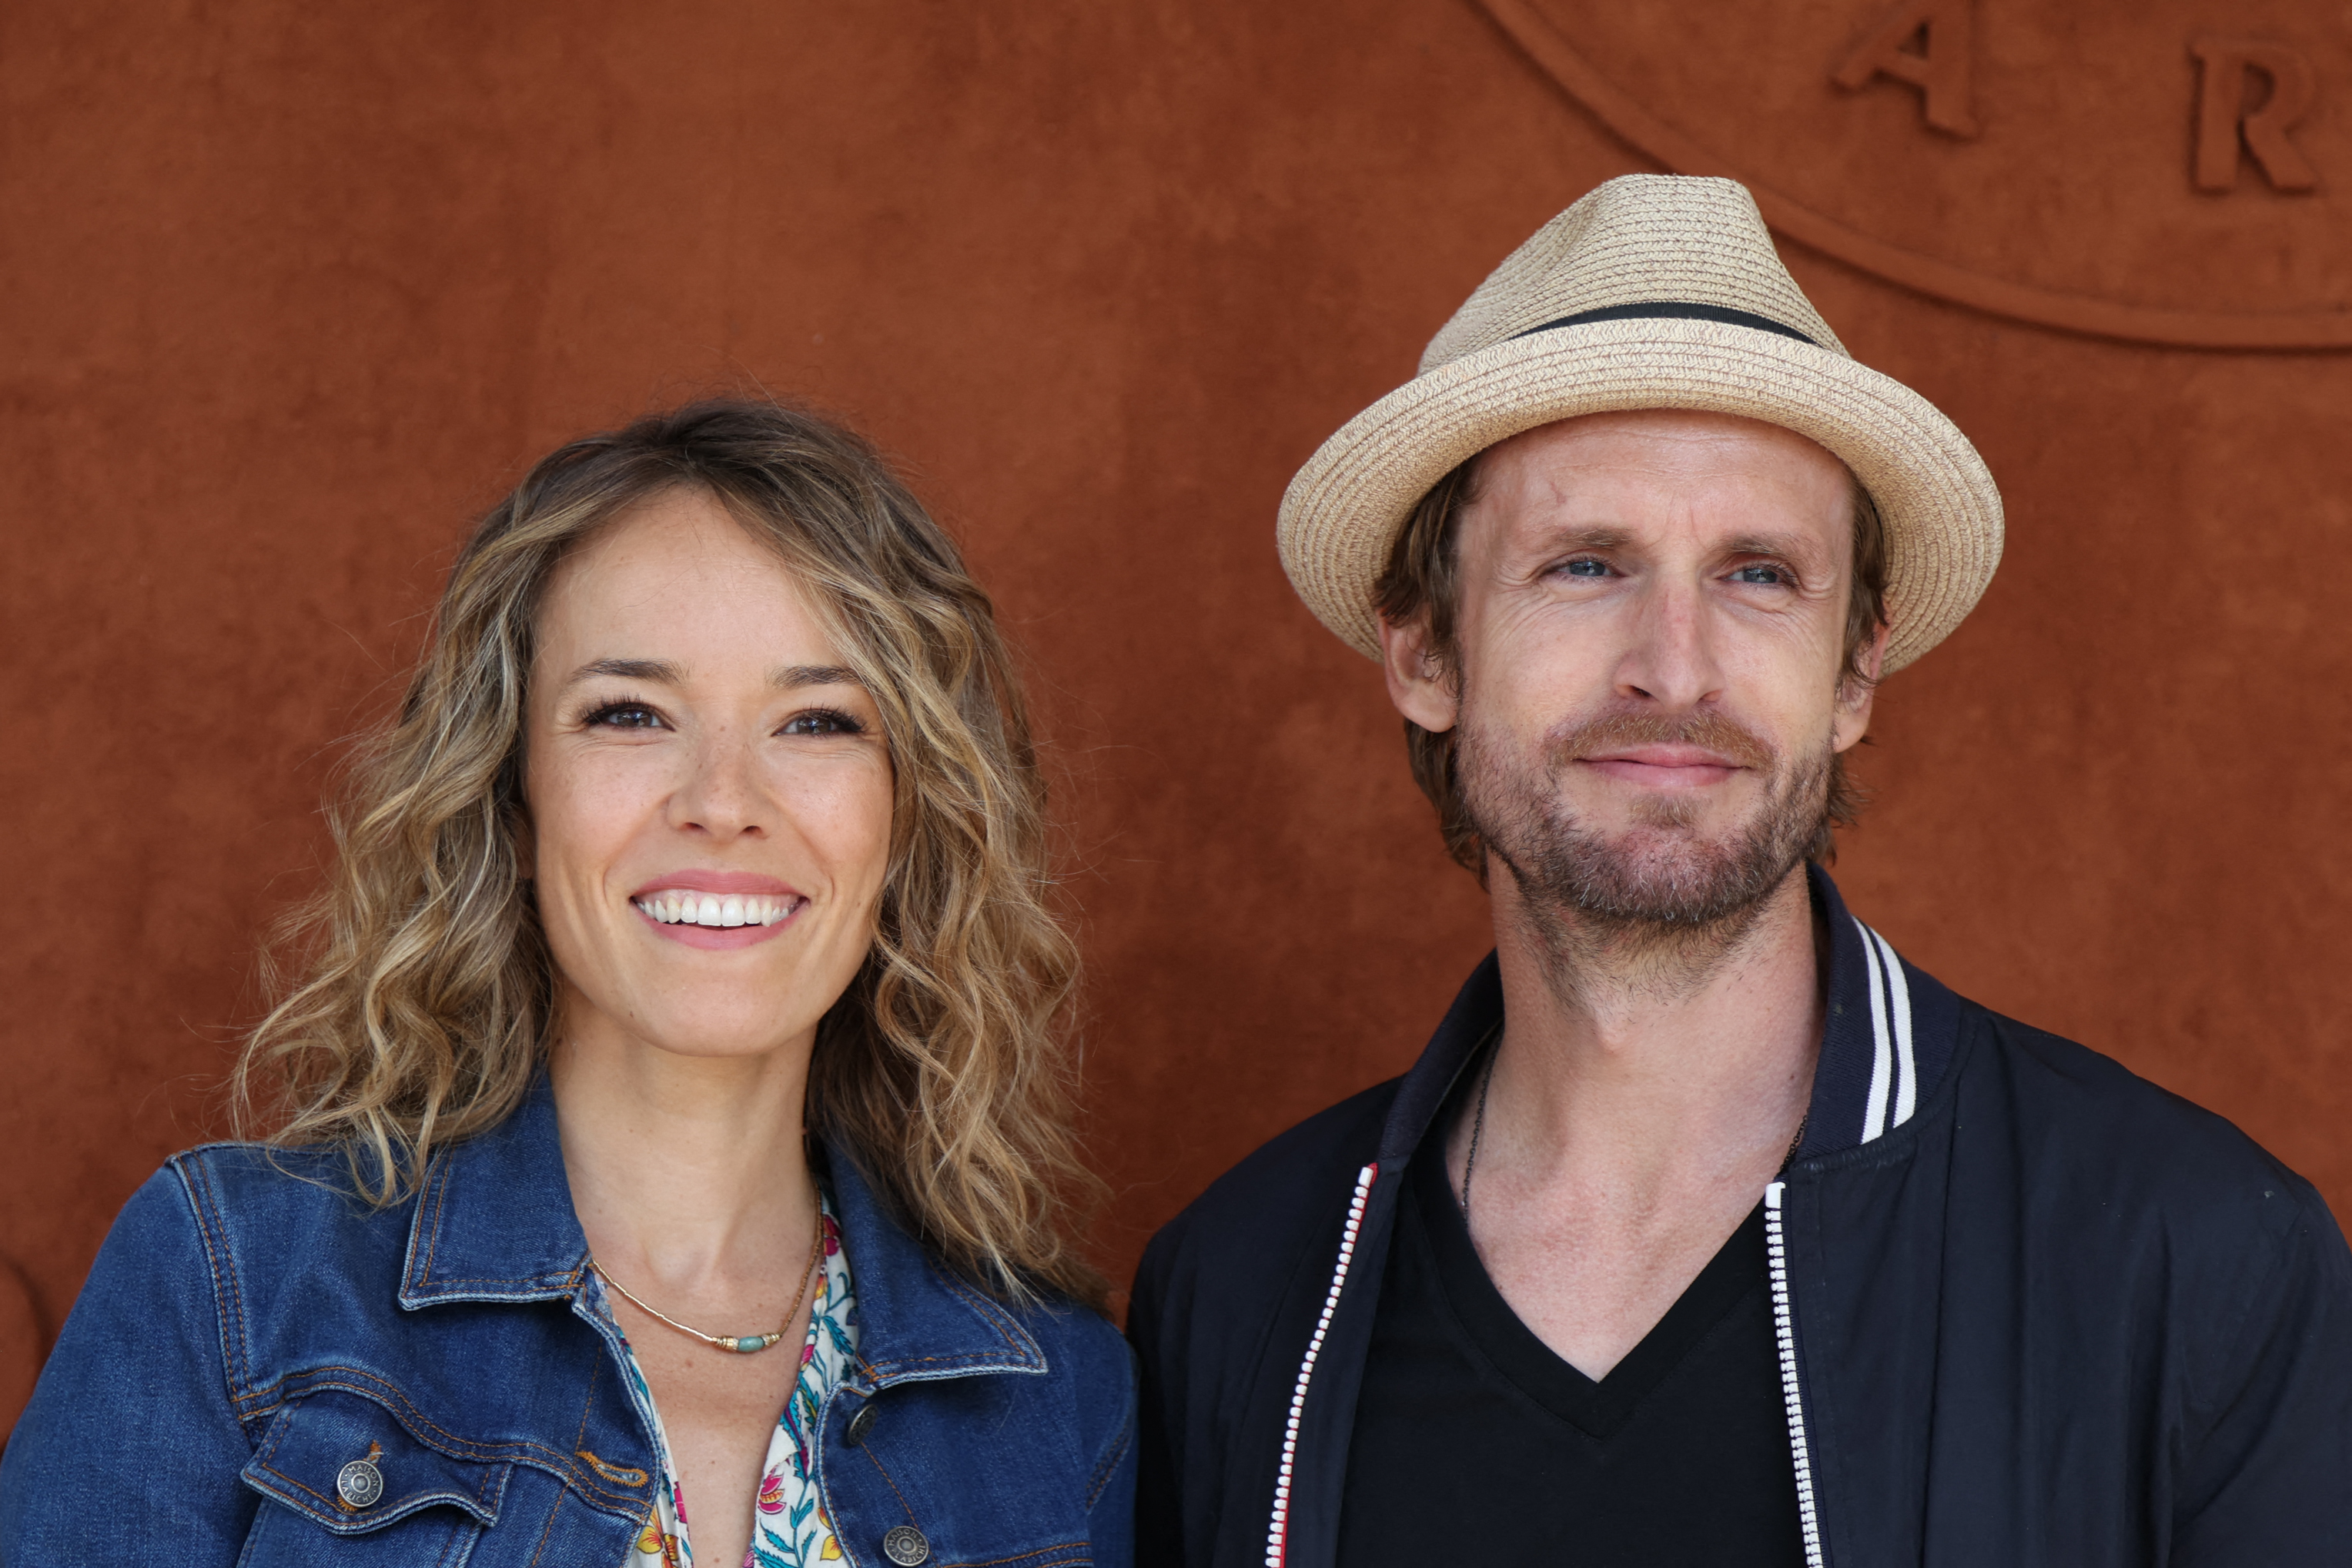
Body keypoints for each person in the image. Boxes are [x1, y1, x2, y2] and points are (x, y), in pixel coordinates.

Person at [1127, 176, 2352, 1566]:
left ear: (1855, 673)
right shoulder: (1238, 1290)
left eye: (1759, 574)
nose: (1676, 667)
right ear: (1424, 652)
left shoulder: (2193, 1261)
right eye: (1585, 564)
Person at [0, 400, 1136, 1566]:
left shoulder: (1057, 1389)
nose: (723, 800)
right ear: (511, 794)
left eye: (816, 720)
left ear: (909, 817)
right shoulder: (235, 1280)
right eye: (630, 713)